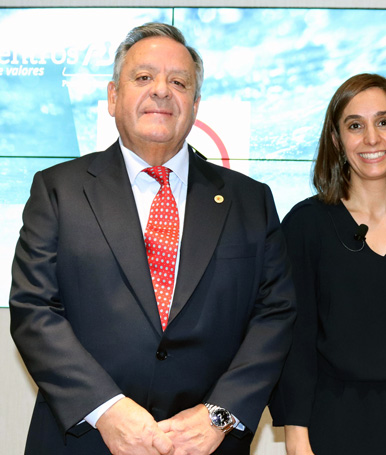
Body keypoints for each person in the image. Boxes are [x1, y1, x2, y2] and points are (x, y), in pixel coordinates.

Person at [9, 22, 295, 455]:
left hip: (205, 444)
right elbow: (33, 309)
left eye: (178, 82)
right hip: (85, 439)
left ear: (195, 105)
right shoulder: (58, 190)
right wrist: (106, 410)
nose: (161, 90)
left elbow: (274, 314)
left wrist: (221, 413)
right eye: (143, 77)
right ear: (112, 96)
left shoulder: (249, 201)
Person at [269, 73, 386, 455]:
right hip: (336, 420)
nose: (372, 138)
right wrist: (297, 437)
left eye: (384, 122)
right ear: (337, 140)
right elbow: (296, 340)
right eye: (355, 126)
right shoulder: (306, 224)